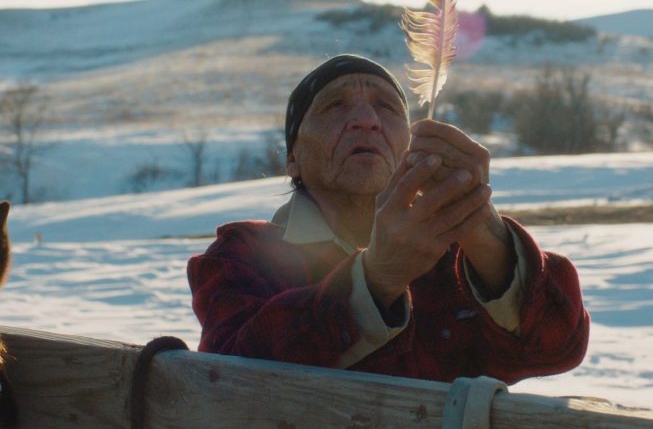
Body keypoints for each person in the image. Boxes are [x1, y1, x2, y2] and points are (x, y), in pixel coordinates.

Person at [187, 54, 589, 384]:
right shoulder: (243, 254)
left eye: (387, 107)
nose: (367, 119)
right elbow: (225, 382)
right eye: (334, 105)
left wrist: (485, 233)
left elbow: (557, 349)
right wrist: (375, 279)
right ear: (293, 158)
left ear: (410, 146)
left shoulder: (454, 261)